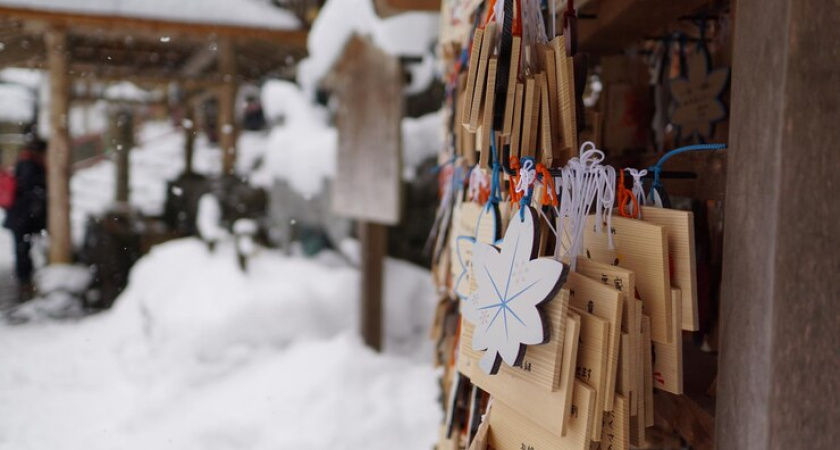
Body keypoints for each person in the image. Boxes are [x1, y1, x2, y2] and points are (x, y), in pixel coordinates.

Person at [4, 139, 47, 299]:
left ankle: (25, 281)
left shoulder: (24, 161)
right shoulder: (30, 164)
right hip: (23, 217)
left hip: (19, 217)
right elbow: (31, 190)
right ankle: (24, 282)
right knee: (23, 250)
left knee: (22, 249)